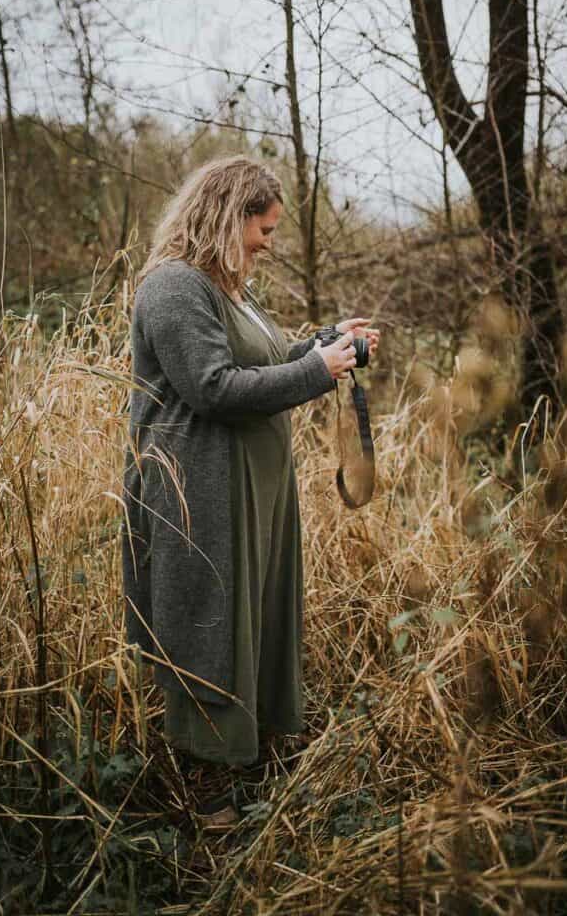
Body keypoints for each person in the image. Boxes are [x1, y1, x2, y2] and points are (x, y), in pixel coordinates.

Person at [121, 155, 379, 825]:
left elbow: (264, 361)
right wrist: (318, 371)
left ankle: (249, 759)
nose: (269, 240)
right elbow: (213, 388)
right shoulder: (175, 287)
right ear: (225, 216)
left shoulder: (228, 288)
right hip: (201, 489)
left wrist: (326, 345)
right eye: (262, 227)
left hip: (252, 488)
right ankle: (205, 793)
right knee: (210, 622)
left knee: (252, 614)